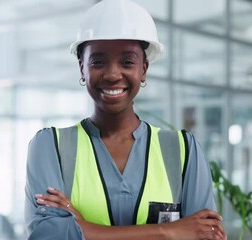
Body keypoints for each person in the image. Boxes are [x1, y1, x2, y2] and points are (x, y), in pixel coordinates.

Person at [24, 0, 227, 239]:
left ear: (144, 69)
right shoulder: (51, 147)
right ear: (82, 69)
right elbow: (47, 235)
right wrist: (168, 231)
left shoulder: (183, 150)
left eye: (127, 62)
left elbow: (205, 235)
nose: (112, 74)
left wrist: (82, 229)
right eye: (97, 61)